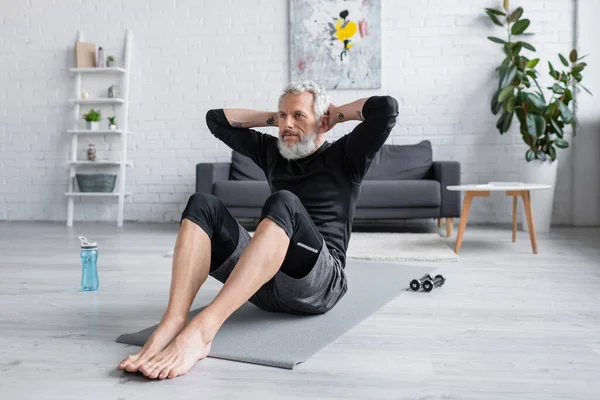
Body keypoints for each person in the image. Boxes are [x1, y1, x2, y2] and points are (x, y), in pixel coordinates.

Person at [117, 81, 399, 379]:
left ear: (322, 120)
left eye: (298, 116)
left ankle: (202, 330)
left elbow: (386, 109)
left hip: (319, 286)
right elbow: (216, 120)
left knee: (284, 202)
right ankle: (173, 320)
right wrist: (282, 117)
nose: (286, 125)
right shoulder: (272, 152)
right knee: (202, 204)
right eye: (282, 117)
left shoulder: (347, 156)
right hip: (265, 285)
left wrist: (332, 115)